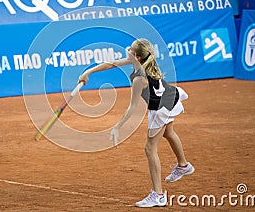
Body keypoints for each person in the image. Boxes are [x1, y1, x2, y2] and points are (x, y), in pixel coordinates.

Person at [78, 38, 194, 208]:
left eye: (131, 49)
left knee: (149, 148)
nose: (128, 49)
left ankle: (158, 195)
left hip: (161, 107)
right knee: (169, 133)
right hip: (171, 97)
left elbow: (132, 107)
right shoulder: (145, 61)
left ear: (137, 57)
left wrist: (117, 127)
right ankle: (183, 165)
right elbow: (111, 64)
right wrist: (88, 72)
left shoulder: (139, 78)